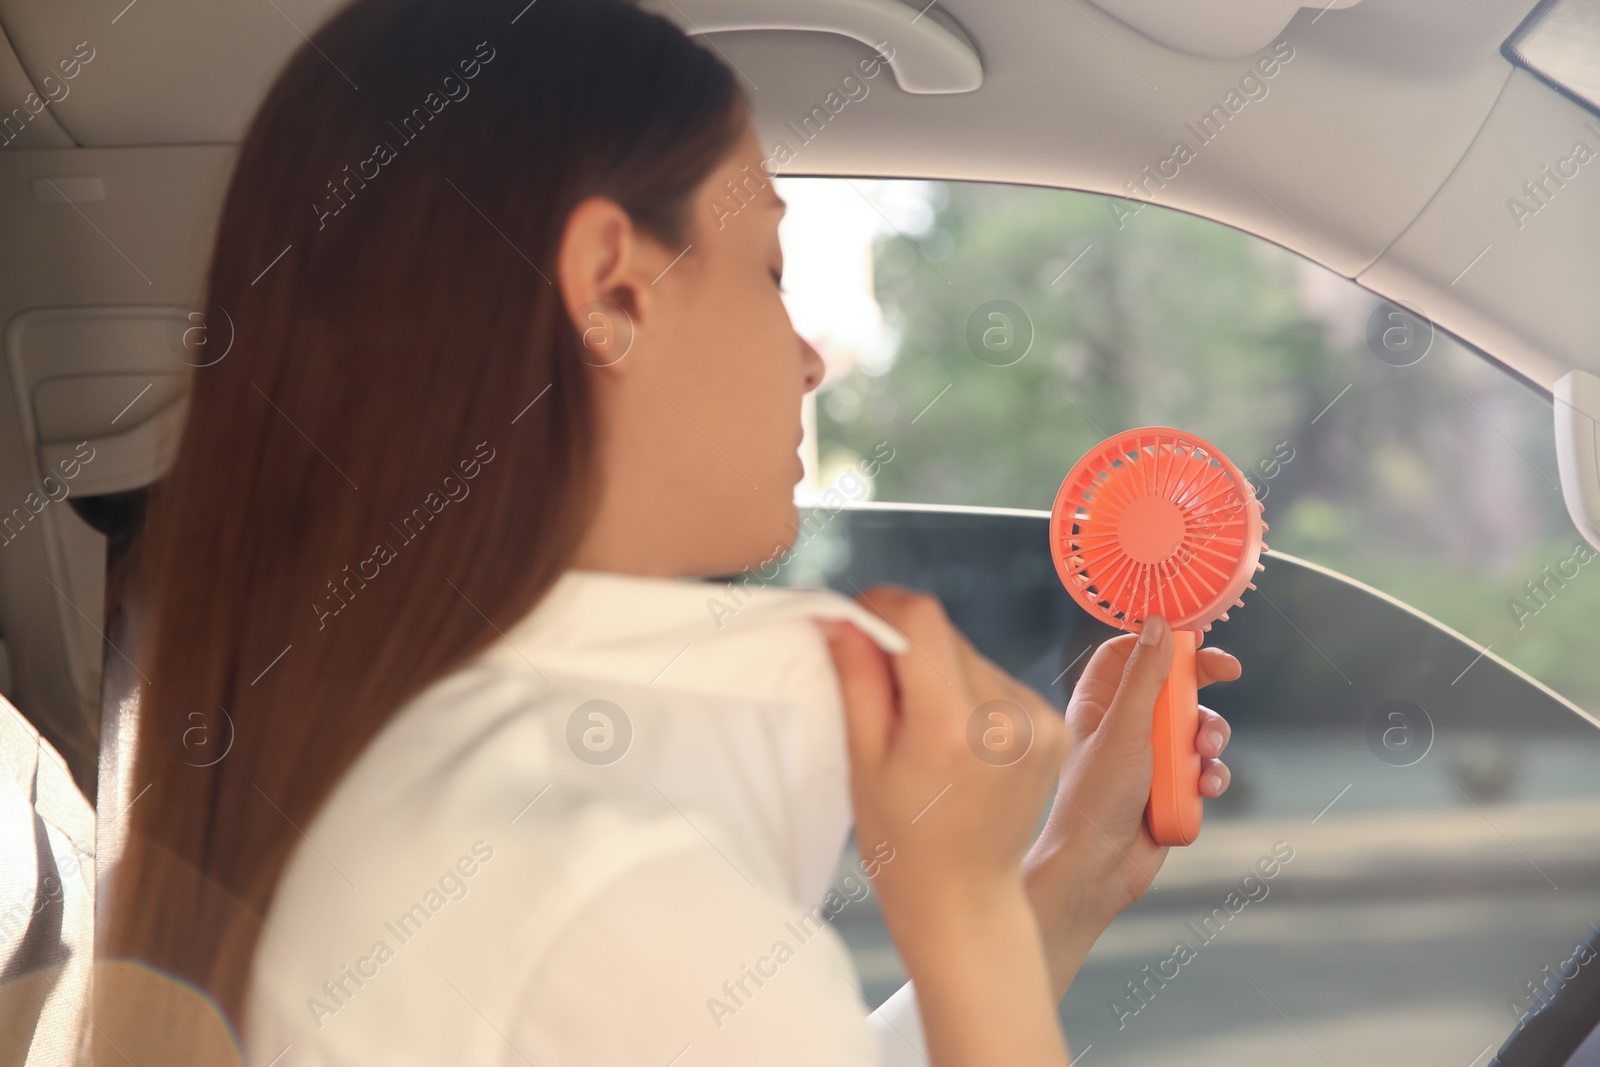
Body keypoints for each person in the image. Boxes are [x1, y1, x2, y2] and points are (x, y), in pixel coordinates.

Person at [96, 1, 1238, 1064]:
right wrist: (968, 909)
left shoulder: (383, 763)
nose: (809, 357)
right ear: (613, 286)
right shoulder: (589, 869)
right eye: (769, 266)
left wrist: (1067, 875)